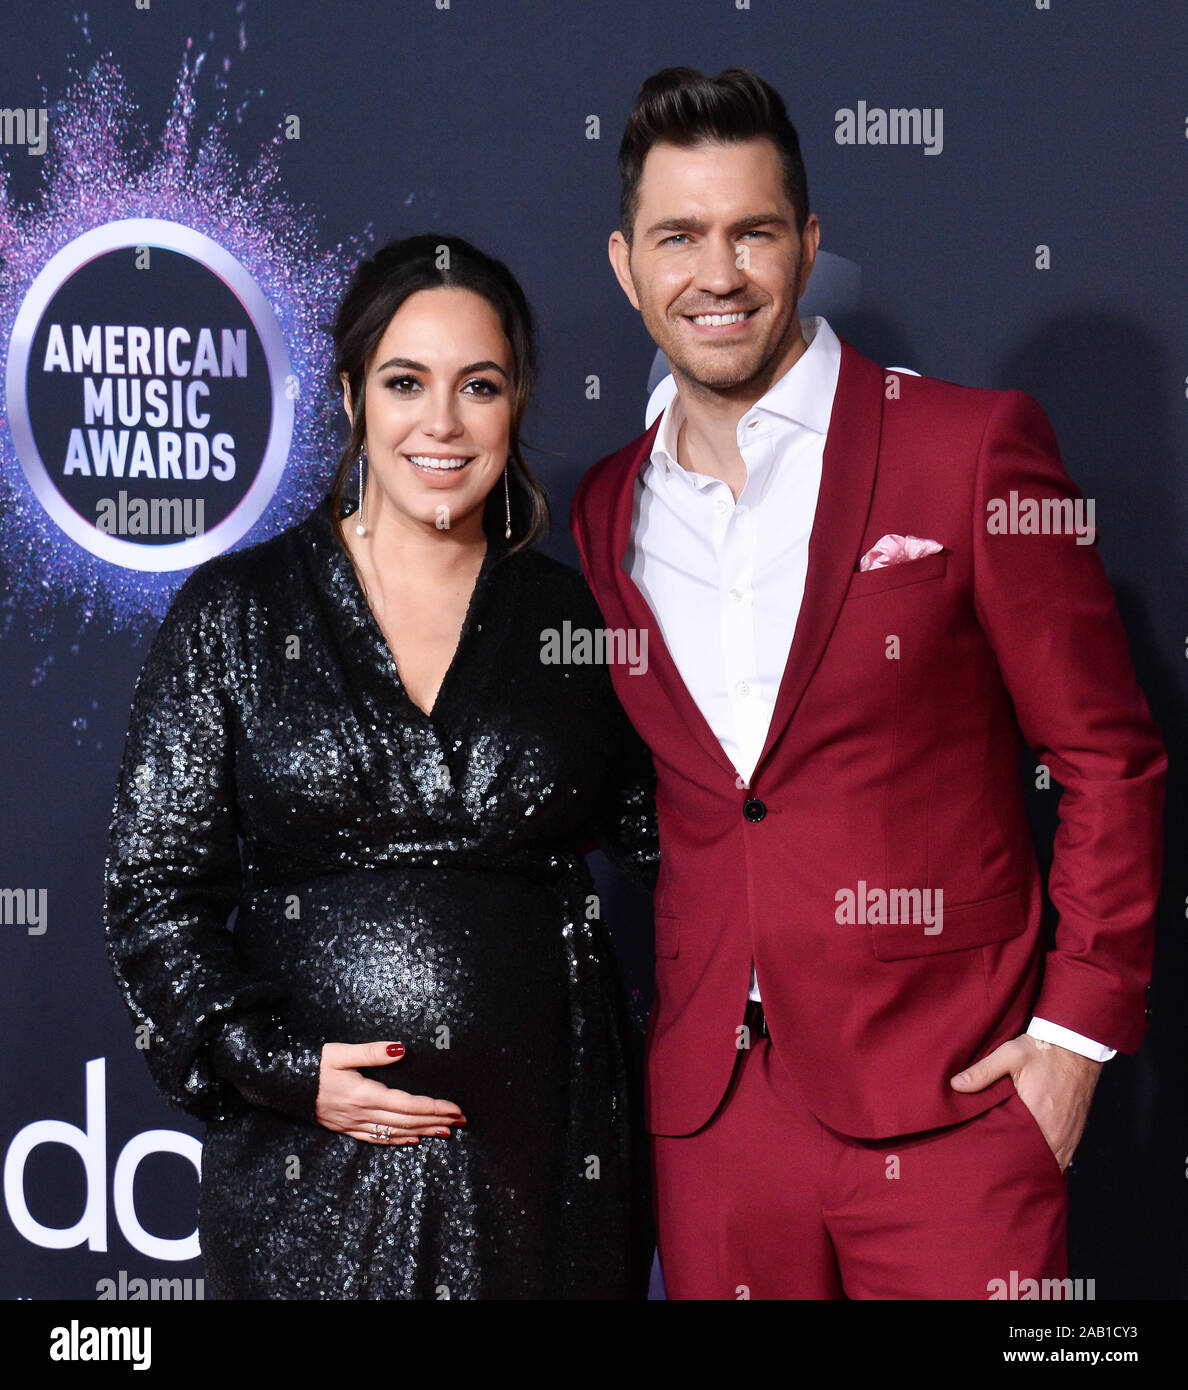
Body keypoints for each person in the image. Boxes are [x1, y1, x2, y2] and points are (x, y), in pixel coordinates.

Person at [569, 66, 1167, 1299]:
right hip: (714, 1118)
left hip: (954, 1102)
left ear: (809, 242)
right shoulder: (602, 510)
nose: (717, 274)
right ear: (627, 266)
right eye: (679, 237)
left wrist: (1073, 1042)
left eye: (753, 232)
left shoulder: (968, 447)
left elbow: (1109, 758)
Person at [103, 233, 658, 1300]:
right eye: (407, 382)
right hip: (311, 1179)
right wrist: (279, 1067)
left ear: (517, 403)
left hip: (549, 1172)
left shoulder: (573, 623)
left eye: (478, 386)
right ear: (354, 396)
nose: (441, 424)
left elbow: (686, 846)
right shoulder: (237, 615)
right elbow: (155, 894)